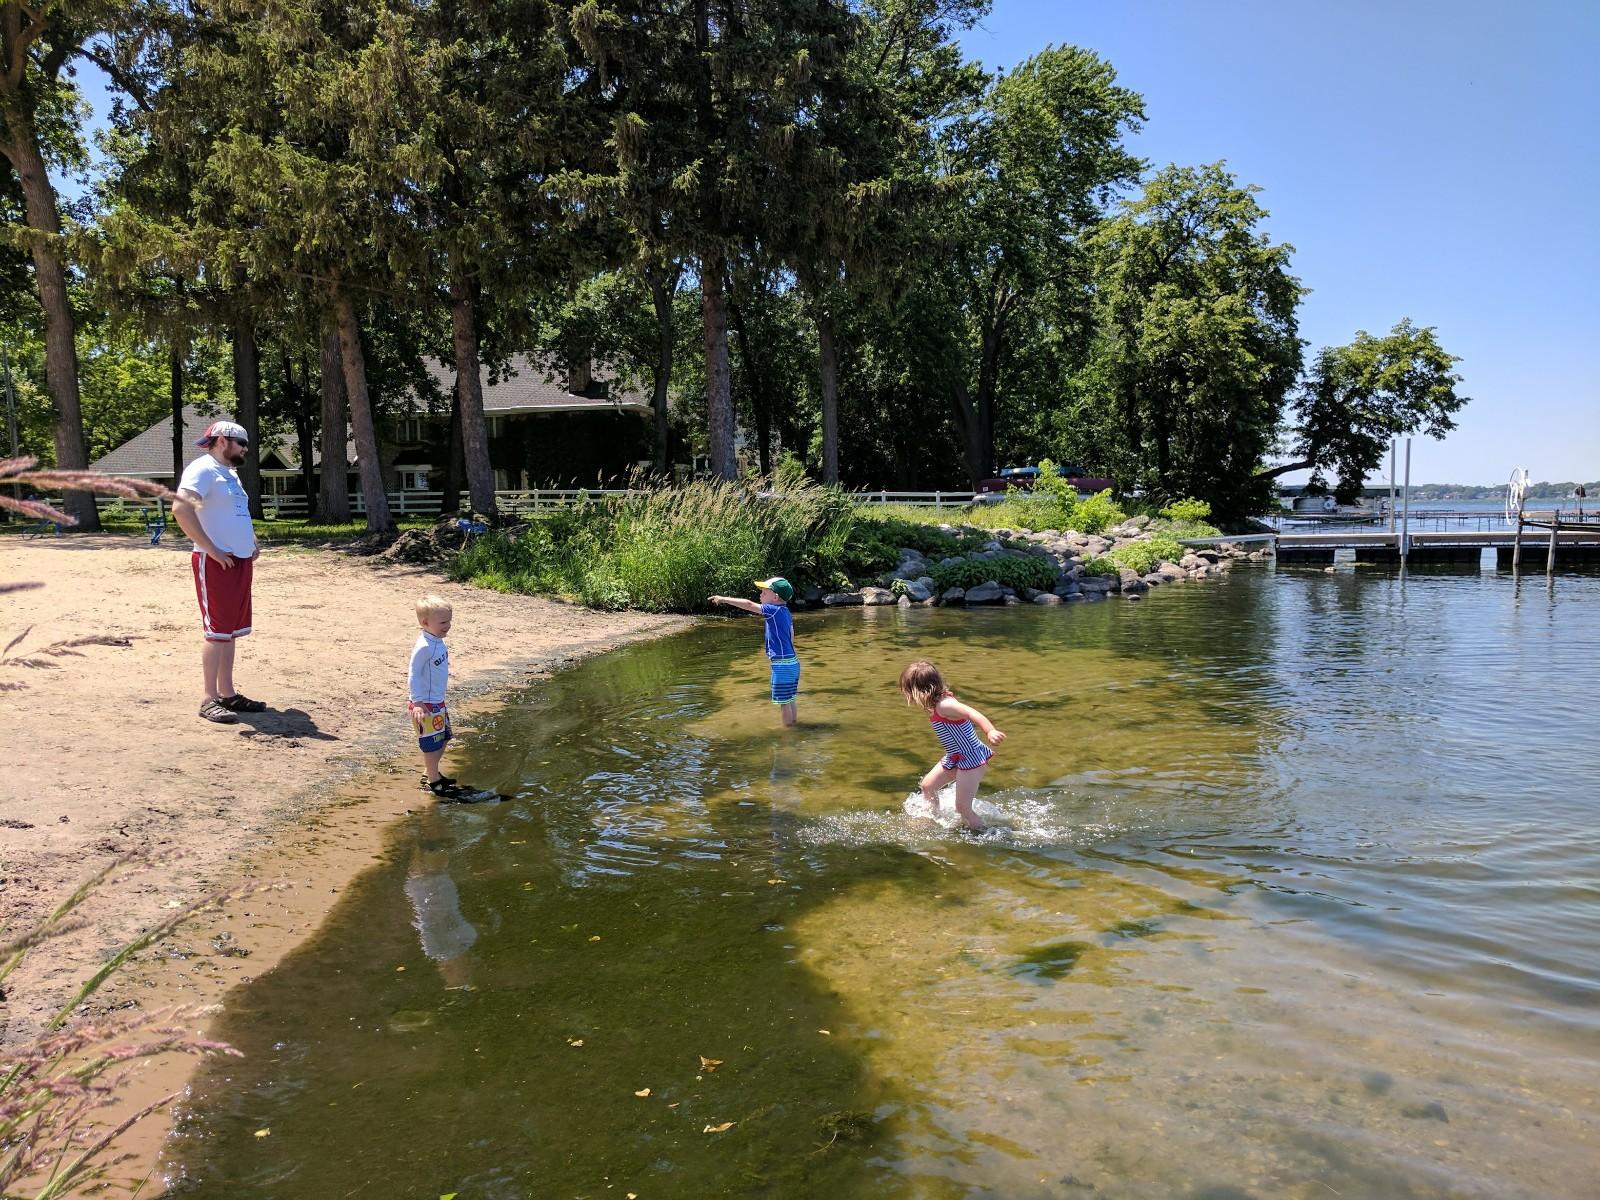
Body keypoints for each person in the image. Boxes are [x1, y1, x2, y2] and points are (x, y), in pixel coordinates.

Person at [172, 419, 264, 724]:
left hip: (239, 561)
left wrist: (250, 540)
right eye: (242, 443)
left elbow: (233, 513)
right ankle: (208, 698)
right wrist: (210, 549)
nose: (246, 449)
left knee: (230, 631)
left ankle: (228, 693)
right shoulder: (202, 469)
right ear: (222, 440)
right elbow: (181, 509)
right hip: (215, 563)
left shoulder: (230, 475)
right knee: (216, 633)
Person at [898, 660, 1006, 832]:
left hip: (971, 760)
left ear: (919, 690)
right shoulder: (936, 705)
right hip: (955, 756)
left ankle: (983, 833)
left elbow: (972, 713)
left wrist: (990, 731)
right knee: (927, 786)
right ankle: (933, 818)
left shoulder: (945, 705)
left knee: (962, 808)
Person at [708, 576, 800, 726]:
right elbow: (791, 634)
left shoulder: (773, 610)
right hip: (793, 662)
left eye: (764, 592)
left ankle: (788, 732)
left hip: (782, 664)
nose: (760, 595)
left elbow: (749, 604)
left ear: (775, 597)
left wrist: (723, 599)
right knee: (790, 698)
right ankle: (794, 724)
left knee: (784, 702)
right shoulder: (785, 611)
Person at [409, 595, 458, 797]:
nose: (448, 626)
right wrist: (418, 702)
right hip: (426, 705)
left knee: (445, 737)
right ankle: (433, 782)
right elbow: (413, 673)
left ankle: (430, 772)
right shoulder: (424, 646)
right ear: (425, 623)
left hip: (438, 701)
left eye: (449, 621)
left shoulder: (436, 640)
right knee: (431, 745)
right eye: (443, 622)